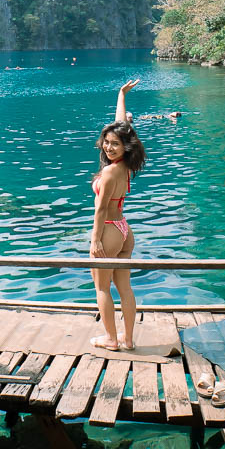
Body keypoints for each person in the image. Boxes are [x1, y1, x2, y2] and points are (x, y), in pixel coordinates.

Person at [89, 80, 146, 352]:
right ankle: (129, 339)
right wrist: (121, 95)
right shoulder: (124, 165)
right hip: (124, 230)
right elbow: (121, 125)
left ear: (126, 146)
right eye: (106, 142)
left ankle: (111, 339)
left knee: (102, 288)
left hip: (109, 229)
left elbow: (100, 210)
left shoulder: (110, 171)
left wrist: (94, 241)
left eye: (114, 144)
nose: (108, 147)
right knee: (125, 287)